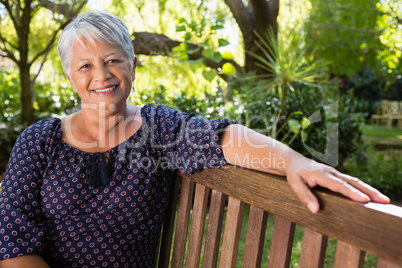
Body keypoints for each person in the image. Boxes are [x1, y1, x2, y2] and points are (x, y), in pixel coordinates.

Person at [0, 11, 390, 268]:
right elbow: (14, 244)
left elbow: (222, 138)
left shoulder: (156, 129)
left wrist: (293, 161)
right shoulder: (40, 142)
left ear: (134, 66)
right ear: (71, 77)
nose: (101, 75)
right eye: (85, 65)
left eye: (113, 59)